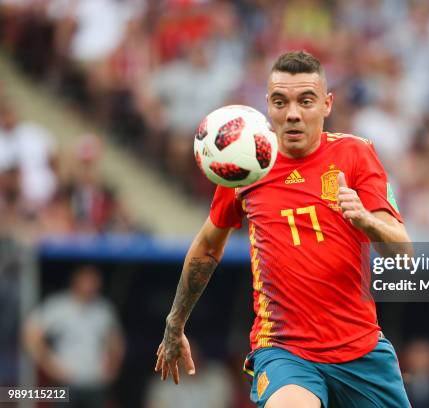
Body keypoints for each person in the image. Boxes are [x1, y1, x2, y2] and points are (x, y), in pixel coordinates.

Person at [155, 50, 412, 407]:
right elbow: (208, 246)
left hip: (361, 350)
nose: (292, 113)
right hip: (285, 352)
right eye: (280, 101)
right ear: (268, 106)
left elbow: (404, 251)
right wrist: (175, 322)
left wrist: (367, 221)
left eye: (306, 101)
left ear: (327, 104)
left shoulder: (356, 154)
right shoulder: (246, 165)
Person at [23, 265, 125, 408]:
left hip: (95, 381)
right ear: (76, 282)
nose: (90, 286)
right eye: (87, 281)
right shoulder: (59, 306)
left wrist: (113, 367)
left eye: (94, 282)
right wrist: (49, 365)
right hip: (67, 380)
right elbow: (31, 333)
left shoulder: (103, 309)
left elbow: (115, 340)